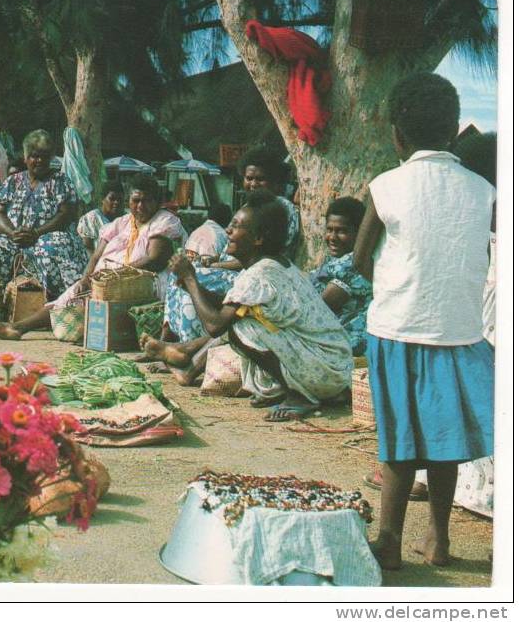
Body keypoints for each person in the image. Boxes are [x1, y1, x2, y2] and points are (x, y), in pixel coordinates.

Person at [352, 73, 494, 571]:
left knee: (399, 440)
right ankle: (438, 539)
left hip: (397, 327)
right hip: (459, 331)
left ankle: (388, 537)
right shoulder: (484, 191)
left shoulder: (385, 185)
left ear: (396, 134)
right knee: (444, 439)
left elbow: (359, 258)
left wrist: (395, 283)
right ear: (455, 129)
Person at [142, 190, 352, 420]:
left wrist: (191, 278)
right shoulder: (274, 265)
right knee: (241, 316)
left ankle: (300, 395)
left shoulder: (258, 275)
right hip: (334, 368)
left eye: (236, 226)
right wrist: (190, 285)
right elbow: (227, 307)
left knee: (241, 328)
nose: (228, 231)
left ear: (258, 238)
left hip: (326, 371)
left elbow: (215, 325)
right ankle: (190, 357)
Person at [0, 173, 186, 341]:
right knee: (70, 297)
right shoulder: (122, 222)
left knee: (91, 299)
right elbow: (96, 255)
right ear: (129, 201)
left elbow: (154, 259)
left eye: (146, 201)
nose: (140, 206)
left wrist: (116, 275)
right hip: (106, 280)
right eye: (136, 201)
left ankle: (22, 327)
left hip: (141, 281)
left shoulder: (165, 221)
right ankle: (19, 327)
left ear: (157, 202)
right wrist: (86, 279)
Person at [0, 129, 88, 300]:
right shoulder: (13, 181)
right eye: (34, 156)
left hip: (48, 236)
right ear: (26, 158)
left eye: (44, 156)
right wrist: (12, 233)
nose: (39, 160)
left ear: (51, 158)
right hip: (16, 237)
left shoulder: (61, 181)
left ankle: (61, 303)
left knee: (50, 246)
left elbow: (65, 215)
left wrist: (36, 233)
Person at [162, 203, 237, 343]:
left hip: (222, 271)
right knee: (179, 275)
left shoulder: (200, 231)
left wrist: (214, 263)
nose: (231, 229)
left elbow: (238, 263)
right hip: (211, 267)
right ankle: (170, 333)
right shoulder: (222, 234)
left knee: (191, 277)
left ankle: (184, 341)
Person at [308, 197, 372, 356]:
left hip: (344, 343)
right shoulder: (337, 260)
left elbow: (318, 310)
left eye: (342, 231)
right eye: (329, 230)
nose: (332, 237)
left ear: (360, 233)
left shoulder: (353, 264)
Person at [236, 146, 300, 259]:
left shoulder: (284, 209)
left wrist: (217, 265)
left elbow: (270, 257)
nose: (253, 184)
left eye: (260, 179)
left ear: (275, 181)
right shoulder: (248, 207)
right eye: (249, 178)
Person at [77, 180, 125, 254]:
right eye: (112, 199)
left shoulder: (127, 219)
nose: (116, 202)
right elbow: (88, 248)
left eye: (119, 199)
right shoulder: (92, 218)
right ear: (103, 199)